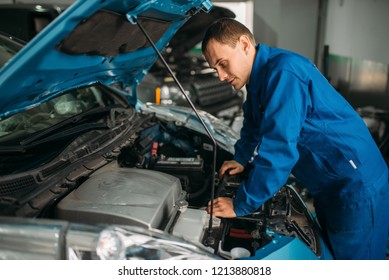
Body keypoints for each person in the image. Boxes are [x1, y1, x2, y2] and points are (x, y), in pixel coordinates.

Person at [202, 18, 389, 260]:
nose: (220, 76)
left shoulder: (283, 74)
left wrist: (240, 204)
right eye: (215, 69)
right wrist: (241, 158)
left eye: (223, 64)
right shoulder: (259, 77)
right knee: (332, 256)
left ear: (245, 44)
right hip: (327, 184)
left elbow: (279, 150)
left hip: (355, 186)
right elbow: (253, 121)